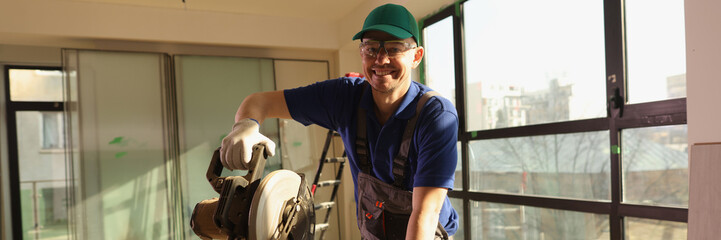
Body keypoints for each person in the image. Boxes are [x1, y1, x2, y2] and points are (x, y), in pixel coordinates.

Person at [220, 3, 458, 239]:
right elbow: (259, 102)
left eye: (394, 49)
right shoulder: (344, 98)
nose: (381, 60)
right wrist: (246, 125)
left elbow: (426, 213)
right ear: (362, 53)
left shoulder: (436, 117)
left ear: (416, 57)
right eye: (372, 49)